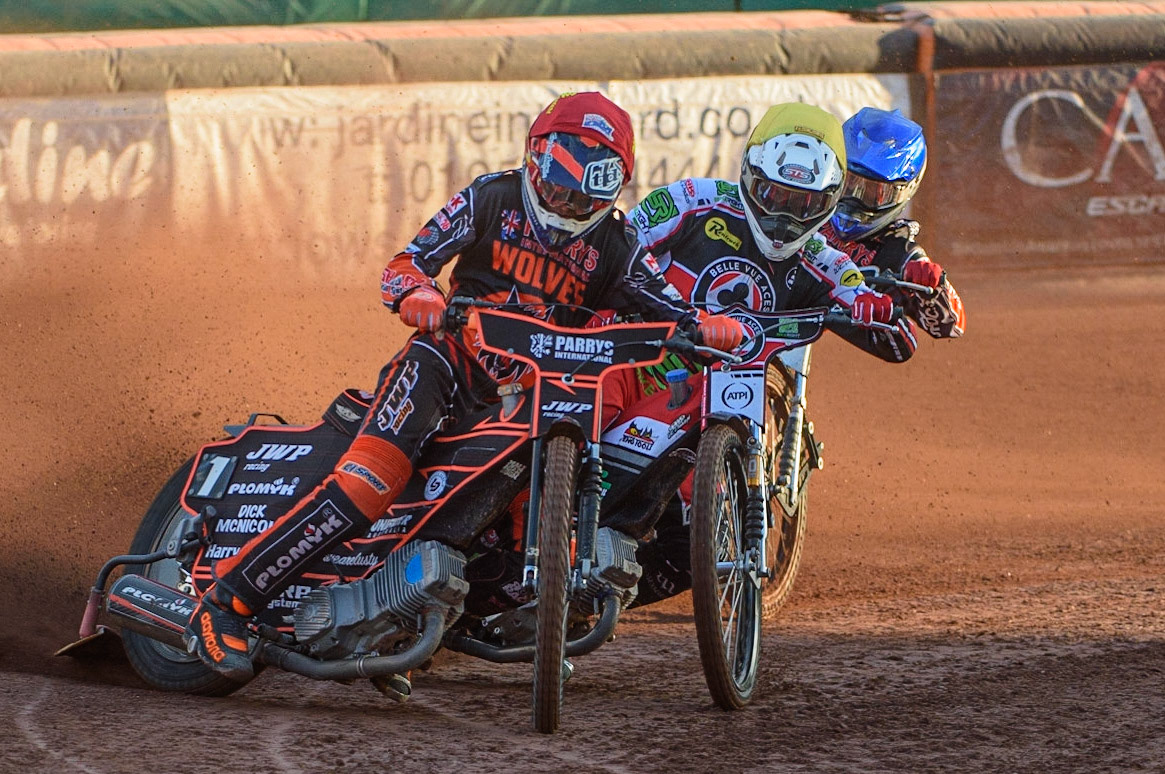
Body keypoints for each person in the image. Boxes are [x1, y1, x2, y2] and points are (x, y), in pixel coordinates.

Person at [183, 91, 746, 679]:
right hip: (447, 365)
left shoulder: (617, 242)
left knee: (518, 504)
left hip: (533, 397)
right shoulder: (490, 197)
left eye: (586, 194)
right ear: (535, 158)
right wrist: (419, 294)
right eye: (557, 183)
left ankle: (434, 607)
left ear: (613, 190)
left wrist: (704, 327)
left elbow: (666, 306)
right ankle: (227, 602)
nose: (567, 201)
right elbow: (406, 263)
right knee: (370, 482)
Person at [600, 102, 920, 607]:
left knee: (694, 546)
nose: (782, 216)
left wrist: (873, 303)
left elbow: (855, 287)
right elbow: (615, 243)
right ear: (749, 175)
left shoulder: (821, 255)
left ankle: (594, 598)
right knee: (565, 429)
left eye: (802, 203)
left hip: (718, 398)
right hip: (639, 361)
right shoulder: (692, 200)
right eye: (773, 195)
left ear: (827, 203)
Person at [820, 106, 965, 339]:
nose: (855, 197)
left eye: (872, 193)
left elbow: (953, 326)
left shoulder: (898, 252)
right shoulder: (809, 212)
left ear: (902, 192)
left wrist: (933, 288)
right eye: (849, 183)